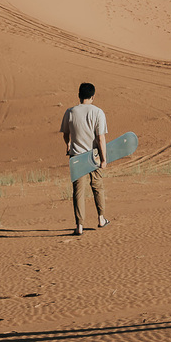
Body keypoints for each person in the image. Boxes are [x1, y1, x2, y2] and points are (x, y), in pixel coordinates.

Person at [60, 82, 109, 236]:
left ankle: (79, 226)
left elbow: (65, 134)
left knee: (78, 192)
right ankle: (101, 218)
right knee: (97, 187)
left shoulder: (70, 112)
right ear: (92, 97)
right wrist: (104, 159)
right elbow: (100, 138)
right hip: (93, 155)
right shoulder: (98, 112)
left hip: (76, 157)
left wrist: (68, 144)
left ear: (79, 96)